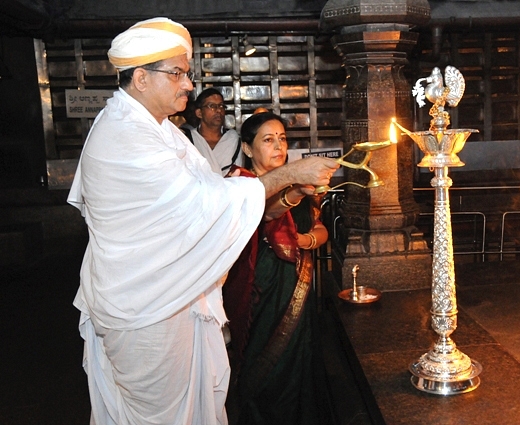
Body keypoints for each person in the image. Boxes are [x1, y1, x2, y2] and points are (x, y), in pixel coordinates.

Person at [67, 17, 338, 425]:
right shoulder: (125, 135)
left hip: (169, 299)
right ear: (141, 78)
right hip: (147, 311)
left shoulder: (158, 129)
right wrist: (289, 175)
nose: (189, 84)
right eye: (177, 73)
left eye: (187, 73)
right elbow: (202, 203)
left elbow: (208, 192)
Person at [223, 112, 331, 425]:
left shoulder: (299, 179)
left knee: (300, 365)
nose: (278, 146)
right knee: (266, 370)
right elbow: (267, 213)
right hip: (258, 292)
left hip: (296, 287)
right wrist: (295, 190)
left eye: (282, 139)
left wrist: (306, 240)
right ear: (247, 147)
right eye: (268, 140)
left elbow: (319, 228)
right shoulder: (238, 184)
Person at [183, 88, 242, 175]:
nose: (218, 110)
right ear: (199, 113)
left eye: (221, 106)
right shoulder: (188, 139)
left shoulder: (232, 139)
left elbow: (239, 174)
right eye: (212, 106)